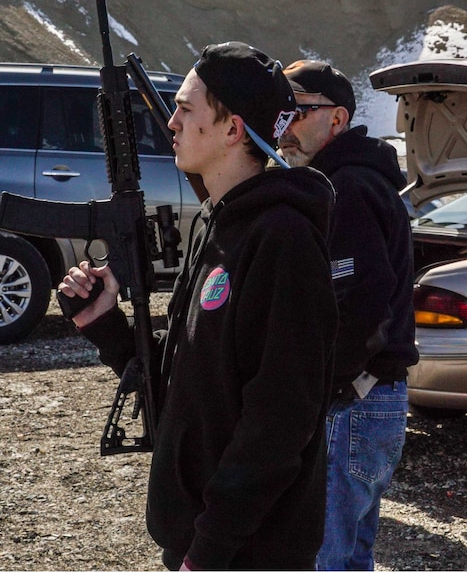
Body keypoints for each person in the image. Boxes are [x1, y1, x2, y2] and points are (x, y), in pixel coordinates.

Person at [58, 42, 339, 570]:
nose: (172, 123)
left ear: (233, 130)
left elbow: (279, 422)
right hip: (202, 542)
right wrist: (105, 324)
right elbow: (192, 378)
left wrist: (209, 550)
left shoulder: (283, 238)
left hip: (247, 553)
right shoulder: (218, 222)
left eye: (186, 110)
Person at [276, 60, 419, 570]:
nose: (283, 126)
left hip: (355, 400)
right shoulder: (344, 179)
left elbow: (363, 301)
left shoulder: (349, 187)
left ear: (335, 119)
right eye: (278, 113)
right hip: (371, 397)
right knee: (351, 552)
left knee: (324, 555)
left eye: (296, 110)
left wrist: (330, 386)